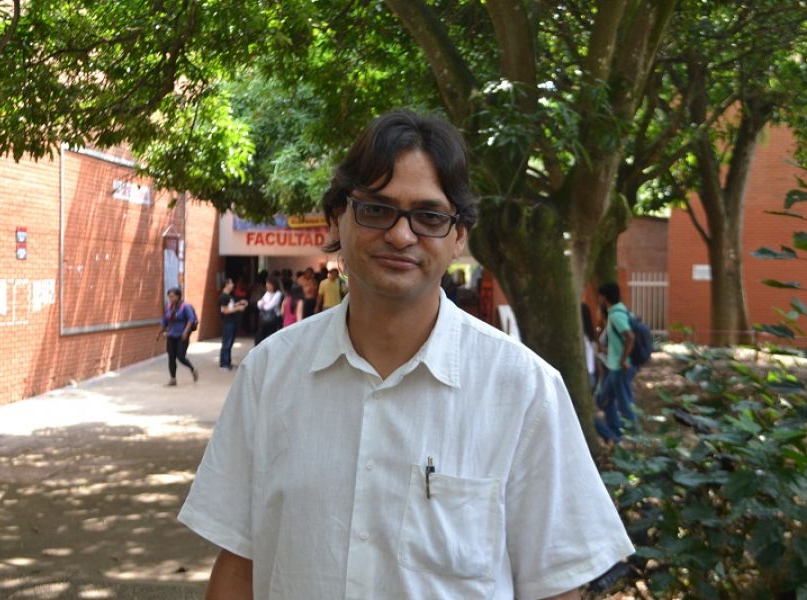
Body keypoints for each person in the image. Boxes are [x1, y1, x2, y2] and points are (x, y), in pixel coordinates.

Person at [179, 110, 633, 599]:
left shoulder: (524, 392)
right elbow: (239, 565)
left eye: (429, 216)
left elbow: (556, 588)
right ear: (338, 218)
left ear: (459, 236)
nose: (400, 235)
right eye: (377, 209)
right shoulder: (270, 374)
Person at [593, 282, 638, 443]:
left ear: (604, 297)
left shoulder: (615, 315)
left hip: (620, 368)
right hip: (614, 367)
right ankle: (616, 434)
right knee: (603, 400)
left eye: (599, 296)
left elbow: (630, 337)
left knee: (625, 404)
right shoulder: (618, 311)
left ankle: (635, 439)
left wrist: (623, 359)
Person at [156, 287, 198, 386]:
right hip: (171, 335)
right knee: (171, 357)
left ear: (178, 296)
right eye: (169, 297)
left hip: (182, 336)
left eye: (172, 296)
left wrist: (185, 332)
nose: (170, 298)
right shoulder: (169, 307)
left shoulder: (185, 307)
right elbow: (164, 321)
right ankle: (173, 379)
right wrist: (159, 333)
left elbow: (191, 319)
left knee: (180, 356)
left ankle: (192, 369)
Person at [219, 278, 248, 370]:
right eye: (231, 283)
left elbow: (230, 306)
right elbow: (225, 310)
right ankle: (224, 364)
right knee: (226, 343)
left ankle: (228, 362)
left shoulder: (229, 296)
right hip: (227, 322)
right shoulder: (223, 297)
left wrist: (238, 303)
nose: (233, 285)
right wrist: (238, 309)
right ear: (226, 285)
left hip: (232, 321)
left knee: (230, 343)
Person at [254, 276, 283, 345]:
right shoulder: (267, 293)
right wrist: (264, 303)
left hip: (274, 319)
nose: (267, 286)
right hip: (264, 319)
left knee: (271, 336)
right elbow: (259, 304)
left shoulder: (278, 294)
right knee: (260, 337)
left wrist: (264, 303)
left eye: (269, 284)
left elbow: (269, 306)